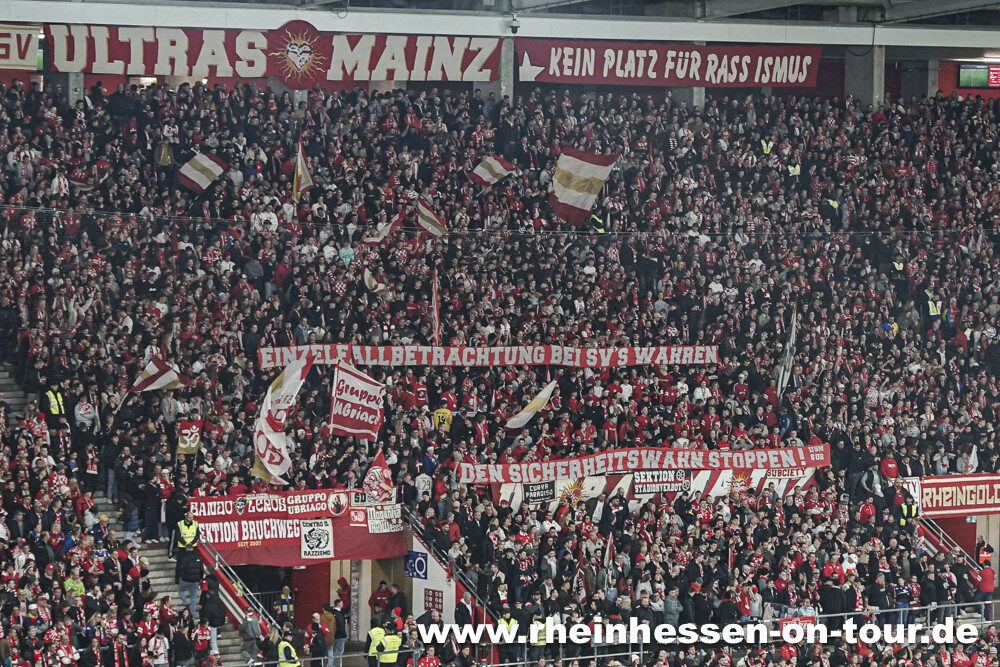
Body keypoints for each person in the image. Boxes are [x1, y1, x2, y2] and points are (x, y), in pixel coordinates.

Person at [176, 549, 204, 618]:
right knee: (193, 597)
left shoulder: (184, 557)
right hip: (195, 580)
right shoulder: (198, 557)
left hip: (185, 579)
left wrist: (179, 577)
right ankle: (191, 614)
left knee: (180, 590)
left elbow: (180, 568)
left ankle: (185, 604)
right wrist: (200, 578)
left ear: (186, 549)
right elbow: (201, 569)